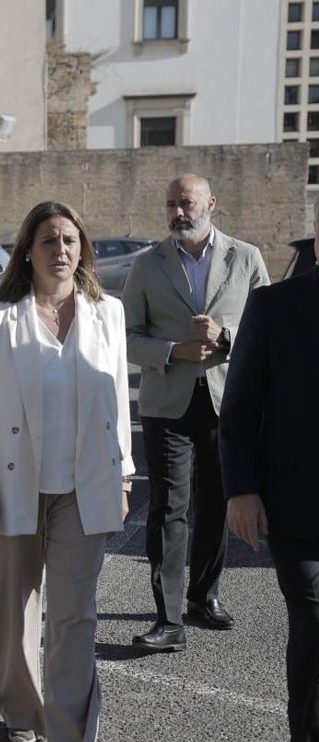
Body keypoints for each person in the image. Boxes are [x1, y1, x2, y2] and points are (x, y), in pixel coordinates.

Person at [0, 201, 133, 742]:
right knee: (15, 609)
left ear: (83, 249)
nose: (61, 249)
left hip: (84, 491)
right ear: (27, 249)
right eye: (49, 239)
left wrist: (125, 474)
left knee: (75, 620)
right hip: (9, 489)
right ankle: (21, 707)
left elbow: (118, 404)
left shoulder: (110, 313)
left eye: (71, 239)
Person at [122, 173, 268, 652]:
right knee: (169, 509)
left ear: (211, 203)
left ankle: (204, 598)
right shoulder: (148, 265)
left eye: (185, 202)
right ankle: (169, 620)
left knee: (215, 508)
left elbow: (268, 330)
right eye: (170, 204)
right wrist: (172, 350)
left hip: (229, 404)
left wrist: (224, 338)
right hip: (168, 406)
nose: (177, 212)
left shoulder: (245, 258)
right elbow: (126, 337)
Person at [219, 215, 319, 742]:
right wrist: (241, 490)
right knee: (314, 624)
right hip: (296, 506)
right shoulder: (275, 306)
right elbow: (239, 410)